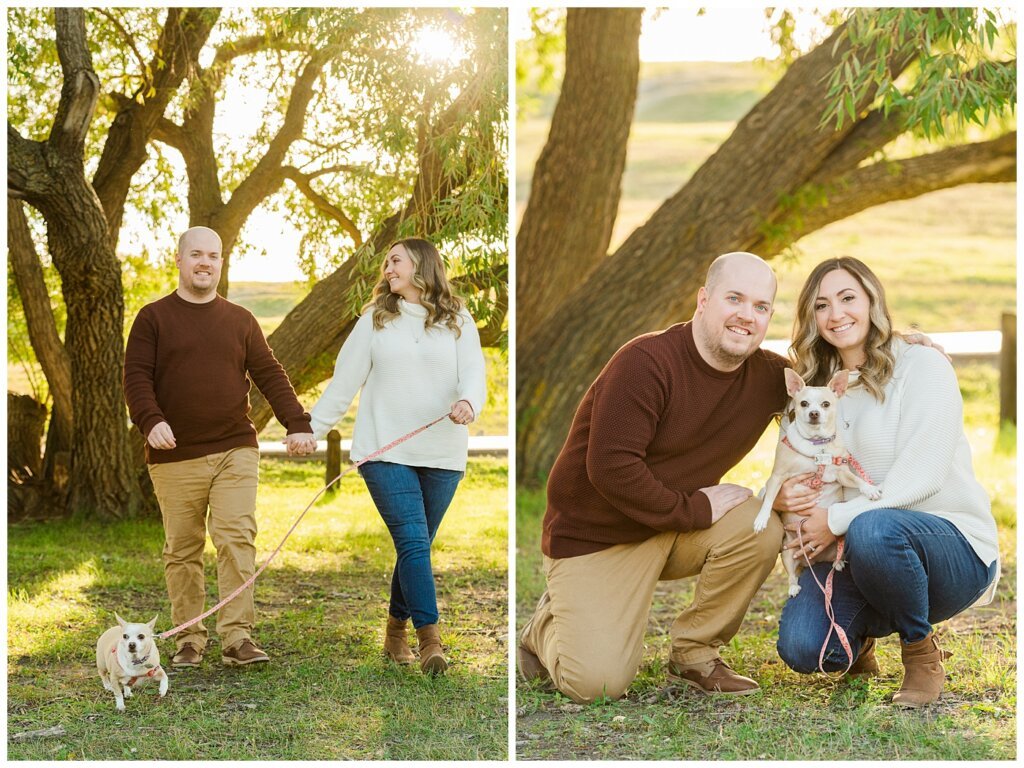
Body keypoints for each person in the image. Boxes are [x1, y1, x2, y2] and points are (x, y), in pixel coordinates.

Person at [518, 252, 791, 703]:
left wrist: (908, 348)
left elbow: (837, 379)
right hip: (598, 536)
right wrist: (695, 509)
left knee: (758, 527)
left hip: (673, 527)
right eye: (734, 299)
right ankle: (543, 628)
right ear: (703, 300)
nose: (747, 315)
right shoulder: (646, 362)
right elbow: (610, 468)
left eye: (761, 307)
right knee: (597, 684)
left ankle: (695, 654)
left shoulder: (770, 376)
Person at [774, 257, 999, 707]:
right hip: (859, 552)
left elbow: (924, 476)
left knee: (873, 527)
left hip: (950, 546)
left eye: (848, 298)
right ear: (811, 318)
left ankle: (920, 652)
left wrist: (835, 519)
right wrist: (786, 502)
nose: (836, 314)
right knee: (803, 647)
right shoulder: (815, 392)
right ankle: (861, 638)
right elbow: (796, 472)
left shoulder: (922, 365)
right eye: (822, 305)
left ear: (873, 299)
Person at [124, 226, 317, 668]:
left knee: (236, 538)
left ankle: (237, 638)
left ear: (221, 263)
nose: (205, 262)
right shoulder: (153, 319)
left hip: (235, 447)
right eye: (196, 254)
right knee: (183, 548)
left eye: (213, 255)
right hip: (175, 454)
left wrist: (297, 423)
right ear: (179, 259)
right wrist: (151, 422)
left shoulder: (240, 320)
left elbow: (270, 373)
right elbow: (135, 377)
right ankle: (189, 638)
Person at [309, 237, 486, 676]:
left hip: (443, 450)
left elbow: (475, 375)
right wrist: (311, 431)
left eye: (395, 261)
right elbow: (343, 382)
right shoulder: (375, 319)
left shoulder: (457, 319)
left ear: (421, 265)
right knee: (411, 540)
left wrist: (469, 403)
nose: (387, 269)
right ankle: (431, 641)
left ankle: (393, 633)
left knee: (417, 548)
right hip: (384, 449)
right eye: (386, 262)